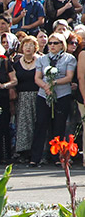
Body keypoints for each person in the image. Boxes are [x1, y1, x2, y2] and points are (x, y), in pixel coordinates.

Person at [34, 32, 78, 166]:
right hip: (44, 94)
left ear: (62, 45)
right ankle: (36, 157)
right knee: (41, 123)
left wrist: (54, 83)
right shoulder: (42, 59)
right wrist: (46, 87)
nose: (52, 46)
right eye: (50, 43)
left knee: (59, 125)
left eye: (56, 43)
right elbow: (37, 78)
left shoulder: (69, 58)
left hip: (62, 94)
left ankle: (57, 157)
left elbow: (69, 77)